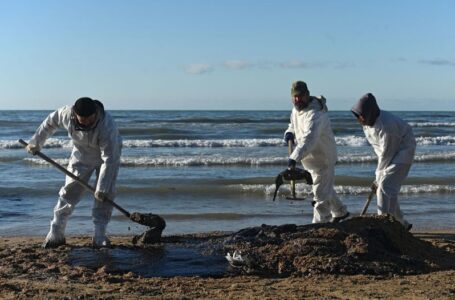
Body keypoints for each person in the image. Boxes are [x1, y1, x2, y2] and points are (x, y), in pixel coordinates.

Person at [25, 97, 122, 248]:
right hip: (81, 155)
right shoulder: (66, 113)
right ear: (75, 114)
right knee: (69, 192)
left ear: (95, 114)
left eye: (90, 120)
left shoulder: (107, 125)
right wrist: (36, 143)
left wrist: (102, 188)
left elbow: (110, 160)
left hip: (107, 157)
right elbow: (49, 123)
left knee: (105, 195)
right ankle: (56, 232)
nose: (87, 123)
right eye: (82, 120)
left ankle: (99, 234)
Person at [284, 81, 349, 223]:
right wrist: (289, 132)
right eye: (294, 96)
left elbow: (309, 139)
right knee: (324, 188)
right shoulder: (296, 110)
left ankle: (320, 224)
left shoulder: (315, 114)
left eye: (300, 96)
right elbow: (292, 125)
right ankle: (340, 211)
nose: (297, 99)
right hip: (310, 159)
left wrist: (294, 157)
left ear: (307, 95)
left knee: (320, 194)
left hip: (323, 158)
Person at [351, 93, 415, 230]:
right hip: (388, 152)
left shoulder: (387, 126)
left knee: (385, 187)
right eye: (358, 115)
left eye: (362, 115)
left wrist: (379, 176)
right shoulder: (367, 122)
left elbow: (388, 153)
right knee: (389, 188)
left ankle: (385, 225)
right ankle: (401, 223)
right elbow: (380, 150)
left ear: (370, 112)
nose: (359, 118)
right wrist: (379, 175)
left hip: (403, 151)